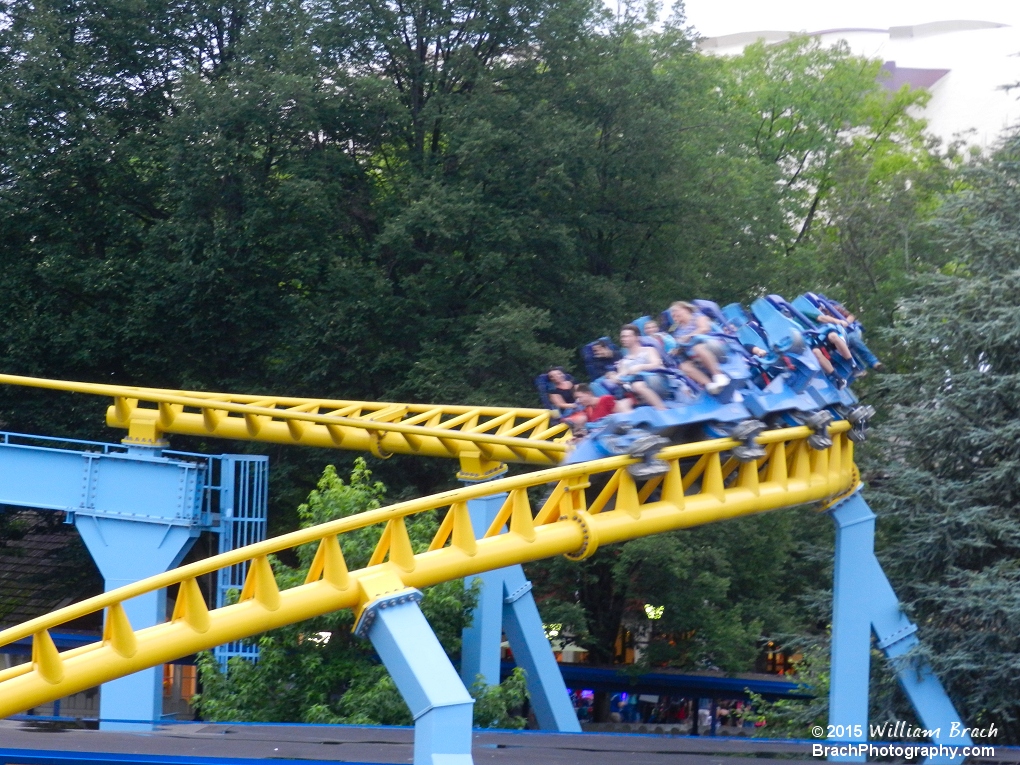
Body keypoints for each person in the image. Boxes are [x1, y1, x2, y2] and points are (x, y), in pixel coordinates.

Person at [667, 302, 730, 394]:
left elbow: (704, 329)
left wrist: (688, 336)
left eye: (676, 311)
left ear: (686, 309)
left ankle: (719, 375)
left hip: (713, 346)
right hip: (695, 356)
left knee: (698, 348)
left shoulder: (698, 316)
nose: (674, 314)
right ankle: (710, 385)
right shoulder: (677, 331)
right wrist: (676, 350)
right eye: (672, 314)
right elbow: (680, 345)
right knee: (684, 366)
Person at [604, 325, 669, 410]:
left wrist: (640, 367)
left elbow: (656, 364)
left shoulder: (648, 350)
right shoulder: (624, 361)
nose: (623, 339)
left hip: (657, 382)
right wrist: (613, 377)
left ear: (636, 338)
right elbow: (622, 377)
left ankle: (662, 409)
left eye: (626, 336)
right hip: (637, 391)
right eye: (622, 337)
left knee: (637, 385)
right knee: (621, 403)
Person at [565, 383, 633, 435]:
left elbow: (620, 416)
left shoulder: (606, 399)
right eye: (576, 399)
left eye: (579, 397)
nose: (578, 401)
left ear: (588, 393)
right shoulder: (587, 410)